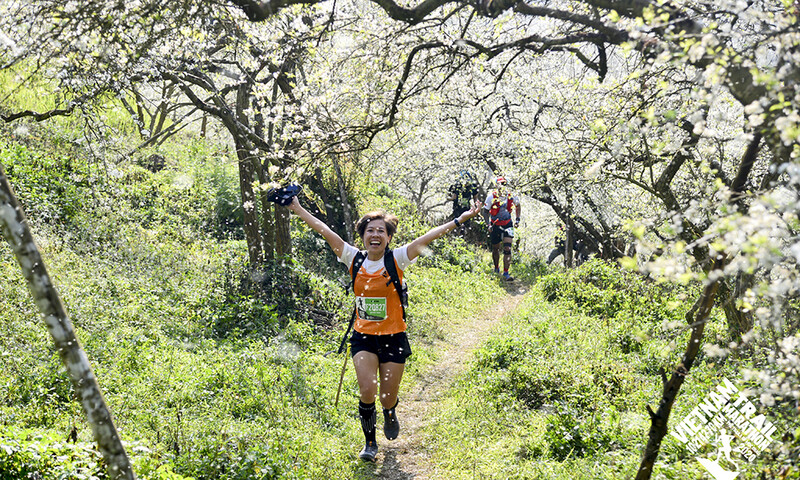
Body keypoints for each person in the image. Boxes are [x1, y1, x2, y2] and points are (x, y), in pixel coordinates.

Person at [286, 195, 482, 462]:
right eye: (370, 231)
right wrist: (297, 210)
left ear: (389, 238)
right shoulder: (352, 258)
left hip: (393, 337)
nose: (375, 235)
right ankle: (370, 444)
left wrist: (461, 219)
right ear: (363, 236)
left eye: (381, 231)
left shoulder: (397, 259)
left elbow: (428, 238)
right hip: (363, 337)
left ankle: (390, 412)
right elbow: (325, 231)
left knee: (387, 397)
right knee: (367, 390)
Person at [483, 176, 521, 281]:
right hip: (495, 225)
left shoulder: (511, 196)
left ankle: (506, 273)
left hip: (508, 224)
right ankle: (496, 269)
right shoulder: (491, 197)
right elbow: (485, 211)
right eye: (500, 184)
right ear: (497, 185)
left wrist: (517, 219)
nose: (502, 186)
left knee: (507, 249)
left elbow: (518, 206)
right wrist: (488, 225)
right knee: (496, 248)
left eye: (504, 184)